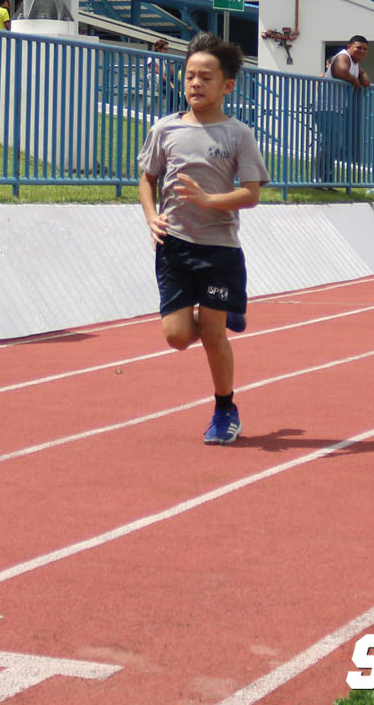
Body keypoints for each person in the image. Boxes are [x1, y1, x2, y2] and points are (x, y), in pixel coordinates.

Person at [137, 32, 270, 445]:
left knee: (213, 333)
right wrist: (151, 216)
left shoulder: (237, 135)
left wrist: (210, 200)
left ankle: (225, 409)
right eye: (190, 75)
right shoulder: (165, 128)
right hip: (174, 245)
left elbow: (251, 193)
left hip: (218, 247)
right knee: (176, 337)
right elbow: (147, 176)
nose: (195, 83)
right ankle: (225, 309)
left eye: (206, 77)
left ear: (227, 86)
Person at [314, 35, 371, 185]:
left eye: (365, 49)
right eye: (358, 47)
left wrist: (362, 77)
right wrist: (355, 80)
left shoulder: (355, 63)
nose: (361, 51)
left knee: (334, 143)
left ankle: (327, 179)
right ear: (349, 47)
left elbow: (364, 77)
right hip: (326, 108)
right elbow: (341, 71)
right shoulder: (343, 57)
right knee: (329, 142)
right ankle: (319, 179)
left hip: (336, 109)